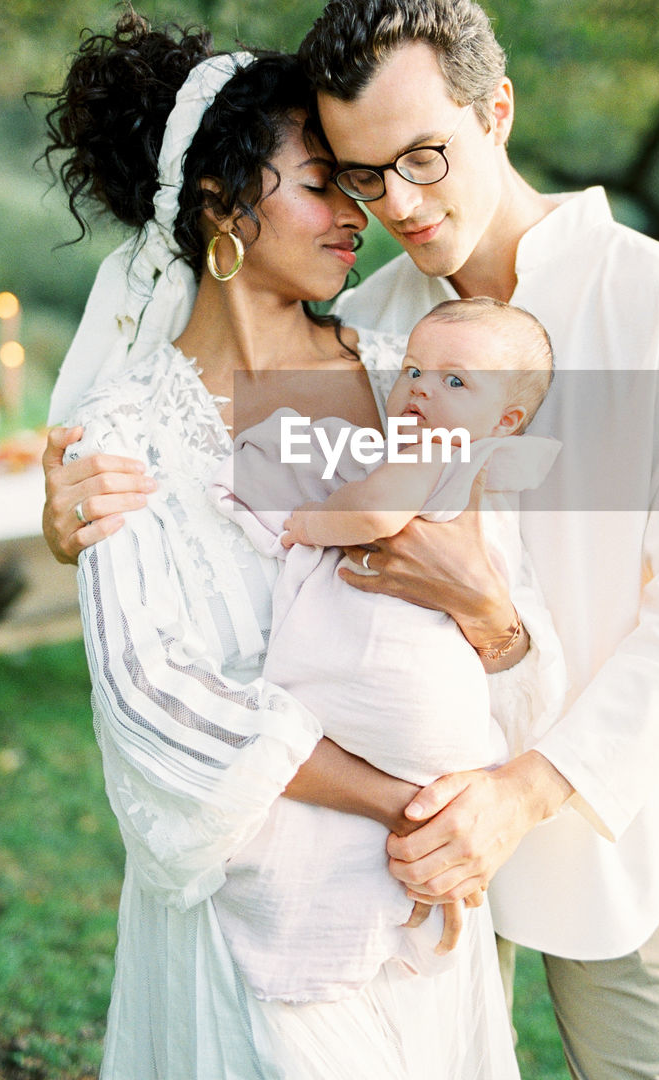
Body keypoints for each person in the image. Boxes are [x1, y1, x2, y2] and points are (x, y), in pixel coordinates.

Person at [43, 0, 659, 1079]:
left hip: (594, 818)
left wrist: (517, 789)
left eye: (423, 156)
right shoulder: (368, 330)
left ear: (497, 112)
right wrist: (77, 513)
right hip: (390, 849)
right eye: (365, 175)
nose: (399, 204)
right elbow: (228, 530)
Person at [40, 8, 530, 1080]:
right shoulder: (127, 435)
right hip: (249, 909)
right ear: (221, 205)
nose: (358, 213)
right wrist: (392, 796)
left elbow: (504, 608)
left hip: (421, 889)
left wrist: (489, 627)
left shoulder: (413, 366)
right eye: (322, 183)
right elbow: (150, 698)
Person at [208, 298, 565, 1003]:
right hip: (452, 725)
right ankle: (408, 919)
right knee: (393, 853)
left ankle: (331, 946)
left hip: (406, 696)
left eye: (456, 382)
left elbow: (373, 513)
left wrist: (312, 520)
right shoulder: (490, 476)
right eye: (412, 370)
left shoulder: (434, 457)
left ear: (506, 422)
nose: (422, 389)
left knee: (331, 833)